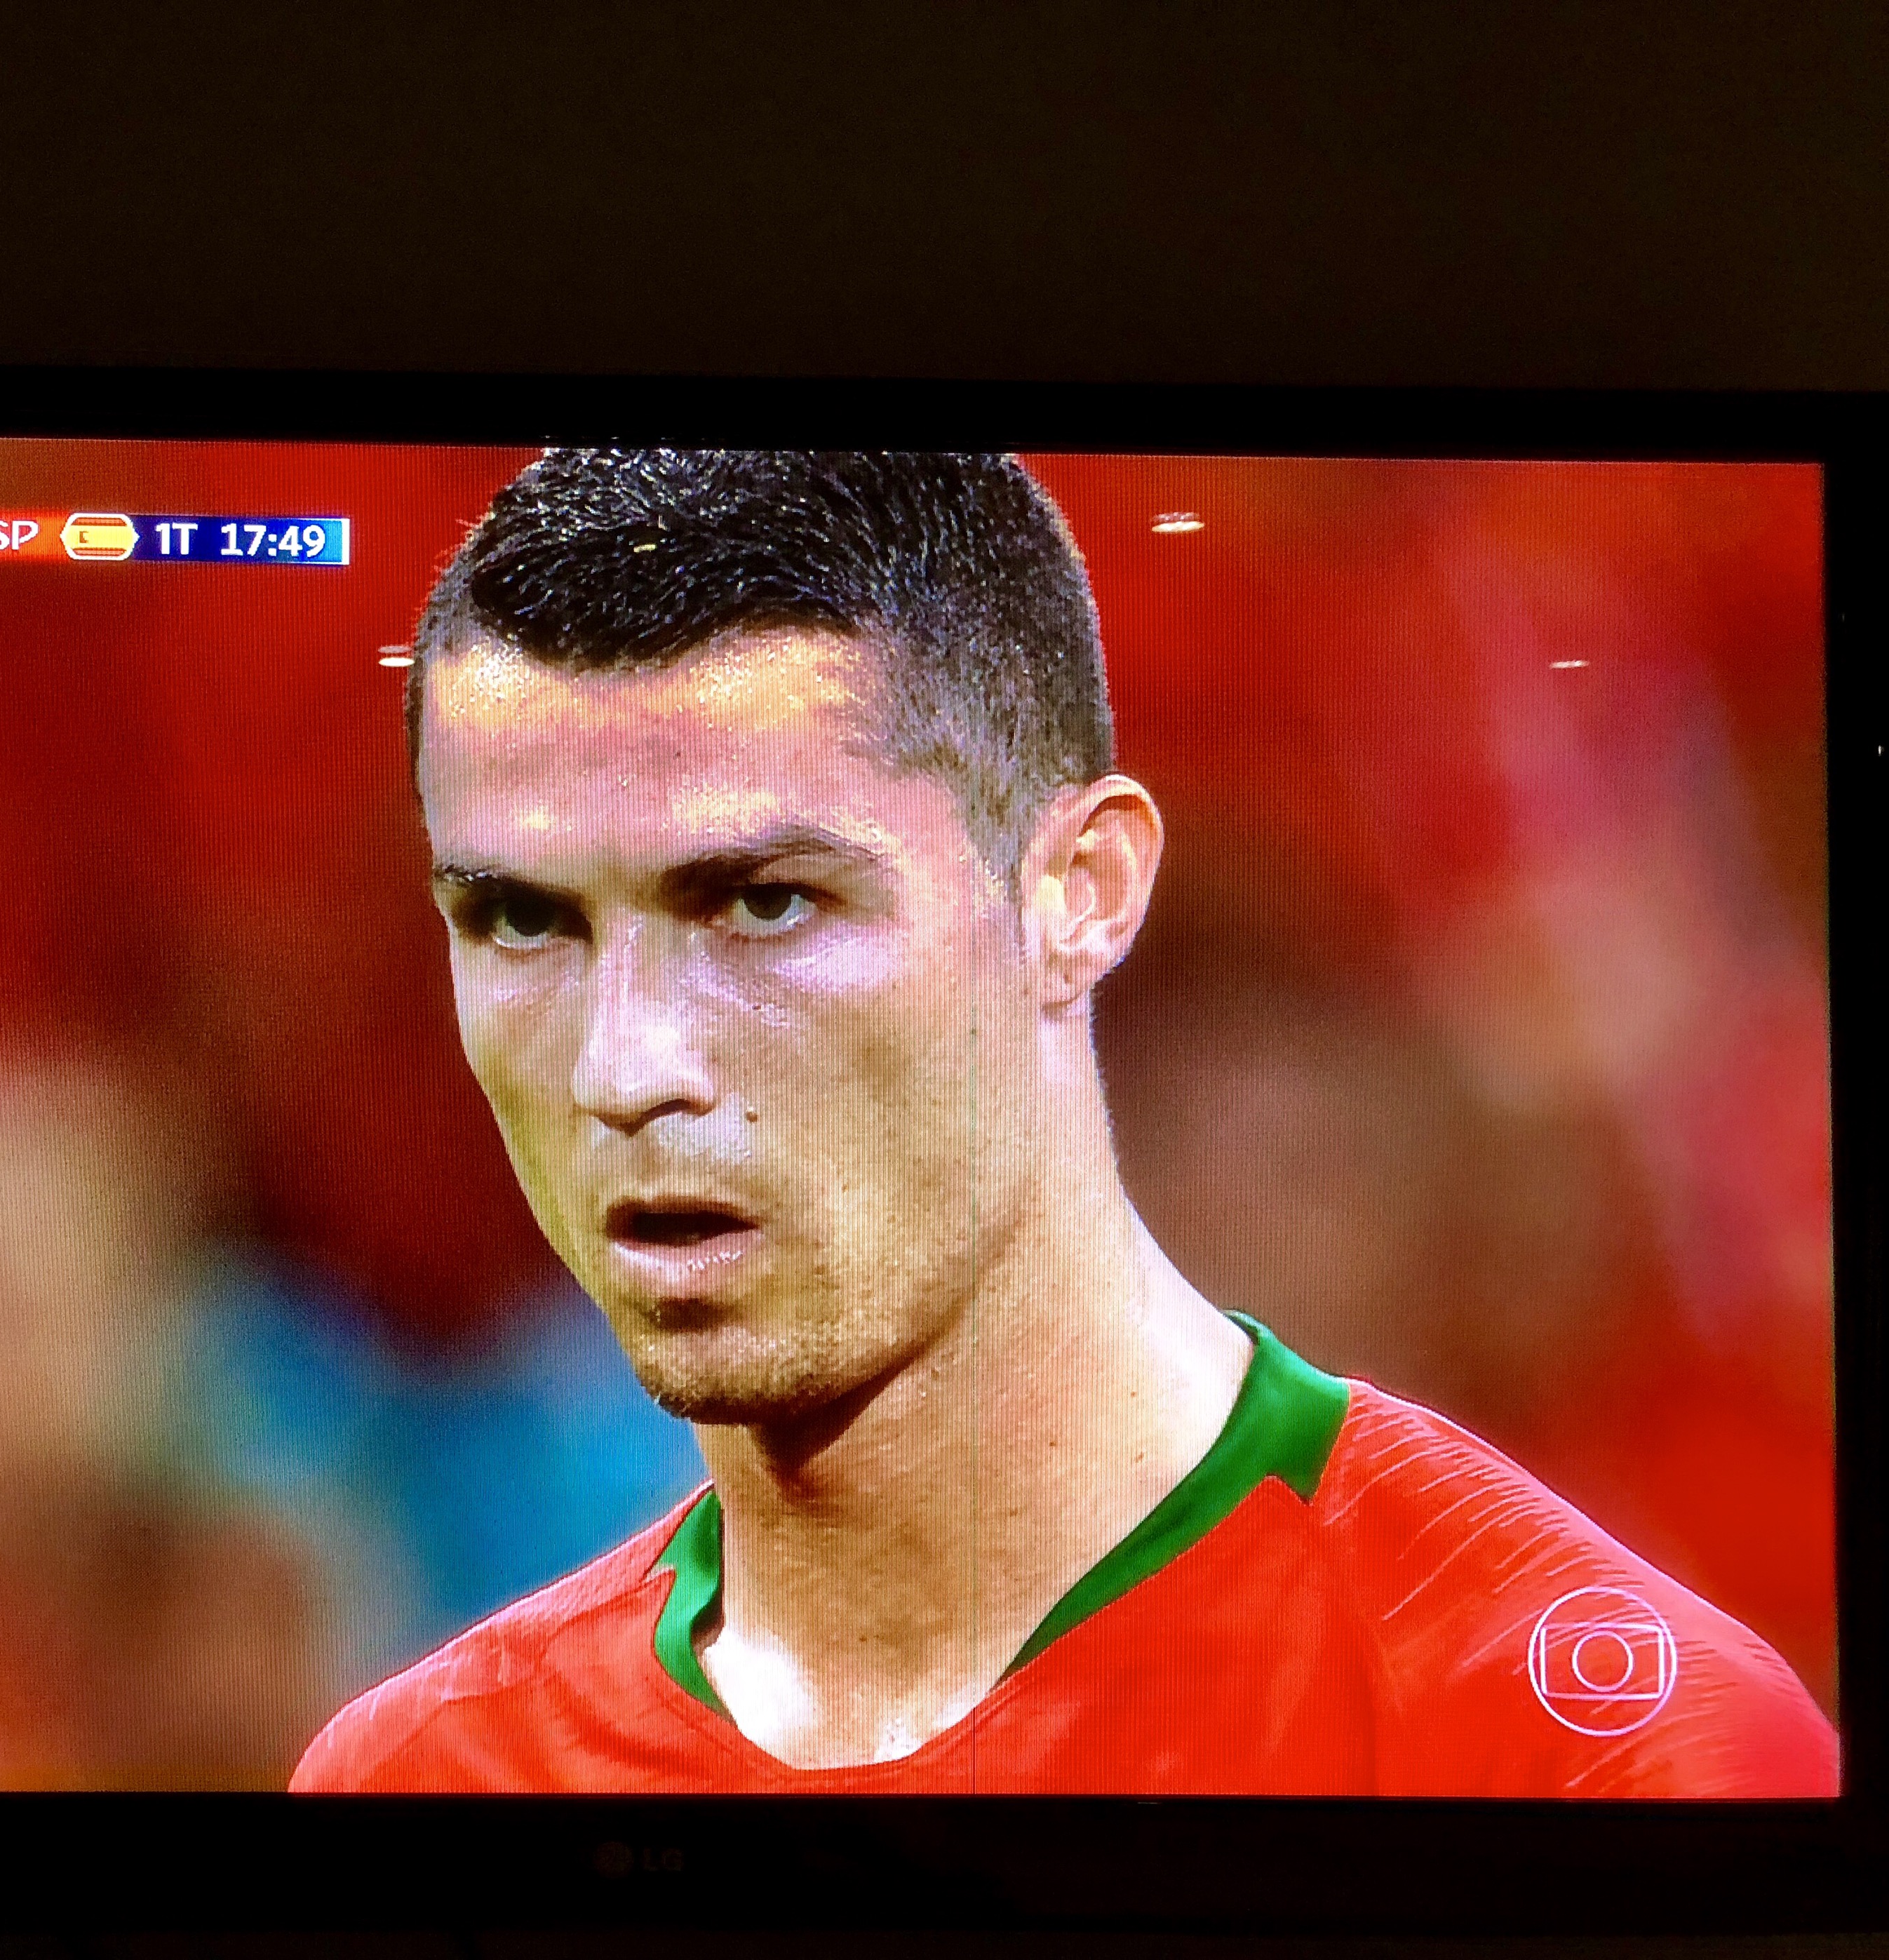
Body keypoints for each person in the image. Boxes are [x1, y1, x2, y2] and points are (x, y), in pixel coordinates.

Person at [290, 450, 1838, 1795]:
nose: (628, 1063)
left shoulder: (1601, 1733)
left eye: (768, 901)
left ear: (1076, 902)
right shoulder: (416, 1770)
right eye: (521, 919)